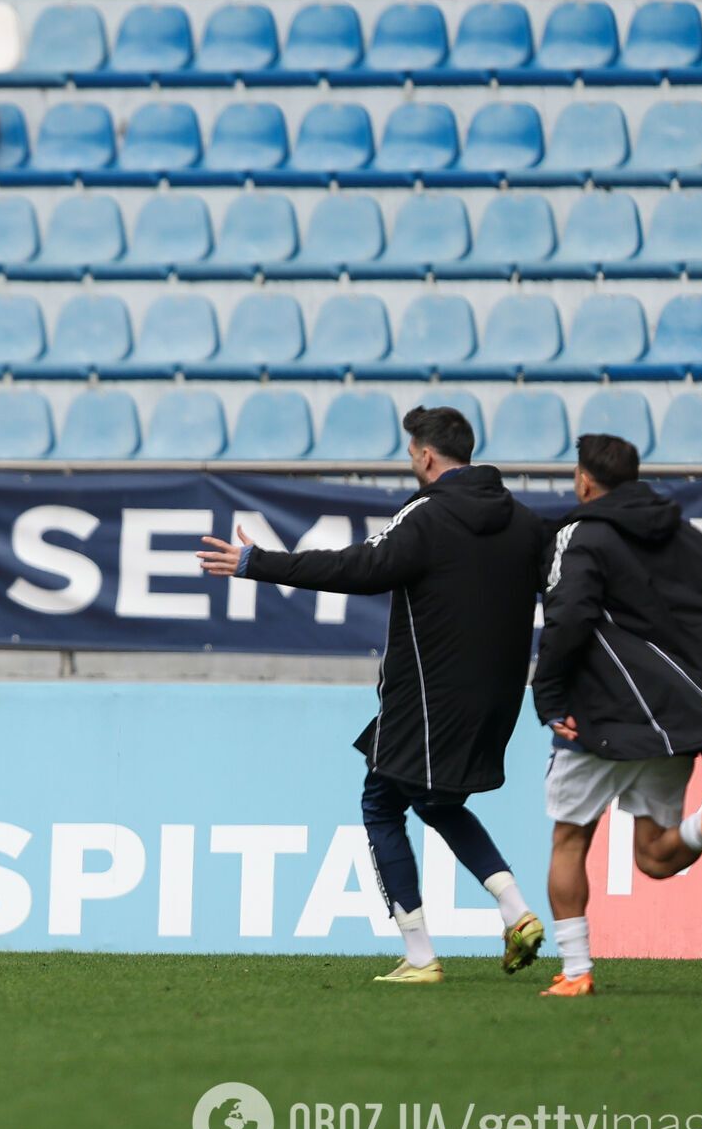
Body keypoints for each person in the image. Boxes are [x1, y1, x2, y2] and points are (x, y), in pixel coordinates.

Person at [196, 407, 547, 985]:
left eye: (411, 454)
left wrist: (259, 563)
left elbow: (357, 567)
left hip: (426, 697)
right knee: (436, 803)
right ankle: (516, 911)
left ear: (426, 456)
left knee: (380, 804)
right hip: (499, 697)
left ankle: (420, 955)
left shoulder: (426, 516)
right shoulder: (527, 523)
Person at [530, 434, 702, 999]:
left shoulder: (579, 535)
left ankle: (577, 971)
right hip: (675, 724)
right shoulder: (687, 536)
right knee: (655, 855)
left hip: (598, 720)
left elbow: (568, 617)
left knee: (570, 841)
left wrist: (549, 695)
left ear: (584, 481)